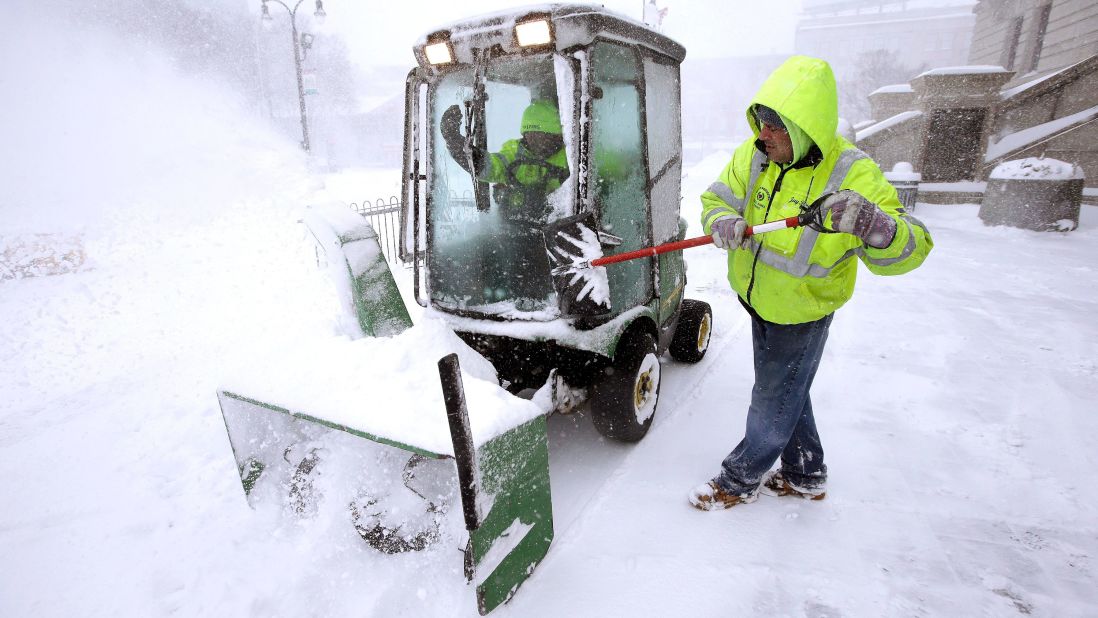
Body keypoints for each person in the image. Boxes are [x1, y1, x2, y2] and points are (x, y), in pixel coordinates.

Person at [689, 55, 934, 511]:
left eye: (774, 125)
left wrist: (876, 227)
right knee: (785, 389)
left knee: (772, 397)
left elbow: (913, 246)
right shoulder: (755, 156)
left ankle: (739, 478)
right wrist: (722, 218)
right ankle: (806, 472)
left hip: (803, 310)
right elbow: (715, 196)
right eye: (759, 120)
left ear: (804, 127)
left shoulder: (853, 174)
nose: (761, 134)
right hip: (757, 298)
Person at [440, 100, 569, 302]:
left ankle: (538, 302)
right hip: (513, 231)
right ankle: (485, 301)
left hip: (554, 236)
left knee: (531, 268)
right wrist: (456, 142)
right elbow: (487, 166)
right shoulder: (514, 152)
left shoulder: (570, 156)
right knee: (468, 257)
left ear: (555, 136)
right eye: (529, 134)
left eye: (540, 135)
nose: (534, 140)